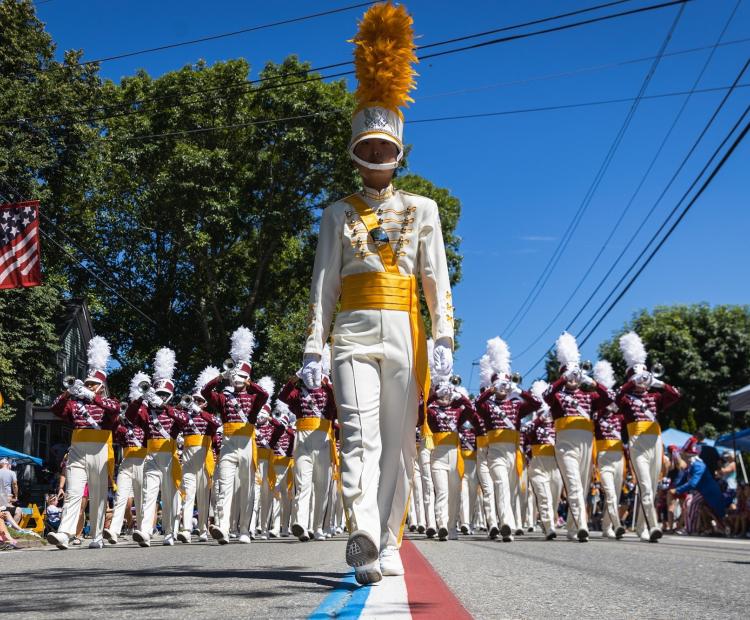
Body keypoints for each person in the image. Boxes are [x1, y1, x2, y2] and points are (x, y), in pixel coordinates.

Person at [300, 1, 454, 585]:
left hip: (405, 329)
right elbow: (324, 283)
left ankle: (390, 539)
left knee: (400, 443)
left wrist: (443, 336)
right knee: (358, 433)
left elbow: (436, 276)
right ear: (355, 152)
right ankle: (362, 532)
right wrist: (314, 343)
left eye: (384, 148)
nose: (376, 157)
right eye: (366, 147)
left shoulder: (424, 210)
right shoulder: (336, 212)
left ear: (399, 153)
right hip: (352, 330)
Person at [47, 337, 120, 550]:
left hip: (99, 450)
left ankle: (97, 535)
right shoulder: (74, 404)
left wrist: (93, 397)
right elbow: (56, 409)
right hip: (77, 450)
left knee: (97, 494)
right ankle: (64, 532)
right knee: (73, 493)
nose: (88, 387)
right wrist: (68, 392)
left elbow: (115, 411)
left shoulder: (108, 401)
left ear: (101, 386)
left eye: (92, 384)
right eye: (87, 384)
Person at [202, 327, 269, 544]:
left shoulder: (253, 397)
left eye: (242, 376)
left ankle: (244, 530)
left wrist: (250, 382)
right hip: (229, 443)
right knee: (225, 484)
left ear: (248, 378)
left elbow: (264, 394)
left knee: (247, 487)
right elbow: (205, 393)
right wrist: (222, 376)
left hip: (247, 443)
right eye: (236, 376)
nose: (237, 379)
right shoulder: (223, 398)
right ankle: (221, 526)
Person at [544, 332, 612, 543]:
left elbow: (608, 397)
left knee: (581, 487)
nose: (574, 380)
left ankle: (574, 529)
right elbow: (546, 395)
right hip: (566, 444)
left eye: (576, 376)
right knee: (573, 484)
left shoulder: (588, 396)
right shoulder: (558, 396)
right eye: (570, 376)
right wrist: (562, 378)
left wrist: (590, 381)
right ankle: (582, 525)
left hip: (586, 444)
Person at [617, 332, 680, 542]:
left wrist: (658, 383)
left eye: (645, 377)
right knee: (644, 485)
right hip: (637, 443)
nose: (643, 381)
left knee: (651, 488)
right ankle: (653, 526)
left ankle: (642, 529)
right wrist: (630, 382)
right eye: (639, 378)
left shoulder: (655, 396)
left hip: (655, 442)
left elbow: (675, 395)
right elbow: (614, 398)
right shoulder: (626, 399)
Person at [475, 338, 541, 542]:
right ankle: (506, 524)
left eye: (506, 384)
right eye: (500, 384)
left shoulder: (516, 406)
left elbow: (536, 403)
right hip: (495, 452)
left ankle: (504, 523)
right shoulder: (487, 406)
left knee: (510, 489)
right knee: (501, 484)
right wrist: (491, 390)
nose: (504, 388)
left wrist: (518, 389)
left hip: (513, 453)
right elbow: (477, 403)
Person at [127, 348, 189, 547]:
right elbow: (129, 416)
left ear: (170, 395)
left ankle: (170, 532)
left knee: (170, 496)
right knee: (149, 494)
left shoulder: (175, 411)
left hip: (170, 457)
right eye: (158, 393)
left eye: (164, 394)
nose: (161, 396)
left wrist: (165, 408)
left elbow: (185, 422)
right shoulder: (146, 412)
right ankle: (145, 531)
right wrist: (141, 399)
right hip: (152, 456)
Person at [279, 348, 337, 543]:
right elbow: (283, 396)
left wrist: (327, 381)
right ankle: (301, 524)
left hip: (323, 440)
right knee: (303, 484)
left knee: (322, 487)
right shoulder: (298, 392)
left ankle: (318, 527)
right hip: (302, 439)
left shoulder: (328, 391)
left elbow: (339, 404)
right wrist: (296, 376)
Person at [426, 374, 477, 541]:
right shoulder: (432, 411)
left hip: (455, 456)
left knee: (455, 493)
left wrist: (459, 395)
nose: (445, 395)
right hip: (439, 455)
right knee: (442, 492)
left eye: (447, 392)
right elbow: (420, 410)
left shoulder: (457, 411)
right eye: (444, 391)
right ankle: (441, 525)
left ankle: (451, 526)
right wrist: (434, 394)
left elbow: (471, 410)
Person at [177, 367, 222, 544]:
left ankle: (203, 528)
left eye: (198, 400)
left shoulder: (208, 416)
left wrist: (199, 411)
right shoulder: (184, 416)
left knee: (203, 496)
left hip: (205, 459)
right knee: (188, 494)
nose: (194, 402)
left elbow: (216, 424)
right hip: (188, 459)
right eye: (193, 399)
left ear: (204, 403)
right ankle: (186, 529)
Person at [591, 360, 626, 540]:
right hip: (603, 457)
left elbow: (622, 396)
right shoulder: (595, 416)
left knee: (616, 494)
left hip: (618, 456)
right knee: (610, 493)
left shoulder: (620, 416)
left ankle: (607, 526)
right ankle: (617, 524)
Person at [523, 381, 562, 540]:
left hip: (555, 465)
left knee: (554, 498)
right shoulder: (533, 425)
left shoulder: (557, 425)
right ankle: (548, 526)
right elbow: (525, 432)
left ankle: (548, 520)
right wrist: (540, 419)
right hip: (538, 465)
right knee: (544, 497)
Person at [104, 409, 146, 544]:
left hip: (143, 462)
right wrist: (117, 419)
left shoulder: (146, 426)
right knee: (120, 497)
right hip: (126, 463)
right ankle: (114, 531)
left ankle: (142, 531)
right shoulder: (124, 428)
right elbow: (116, 434)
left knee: (141, 500)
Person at [672, 438, 729, 535]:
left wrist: (677, 490)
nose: (681, 456)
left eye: (683, 454)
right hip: (703, 492)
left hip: (709, 492)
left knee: (693, 503)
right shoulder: (691, 465)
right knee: (691, 504)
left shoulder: (699, 465)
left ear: (687, 455)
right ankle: (705, 528)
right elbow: (683, 479)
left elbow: (693, 483)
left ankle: (690, 530)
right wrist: (673, 488)